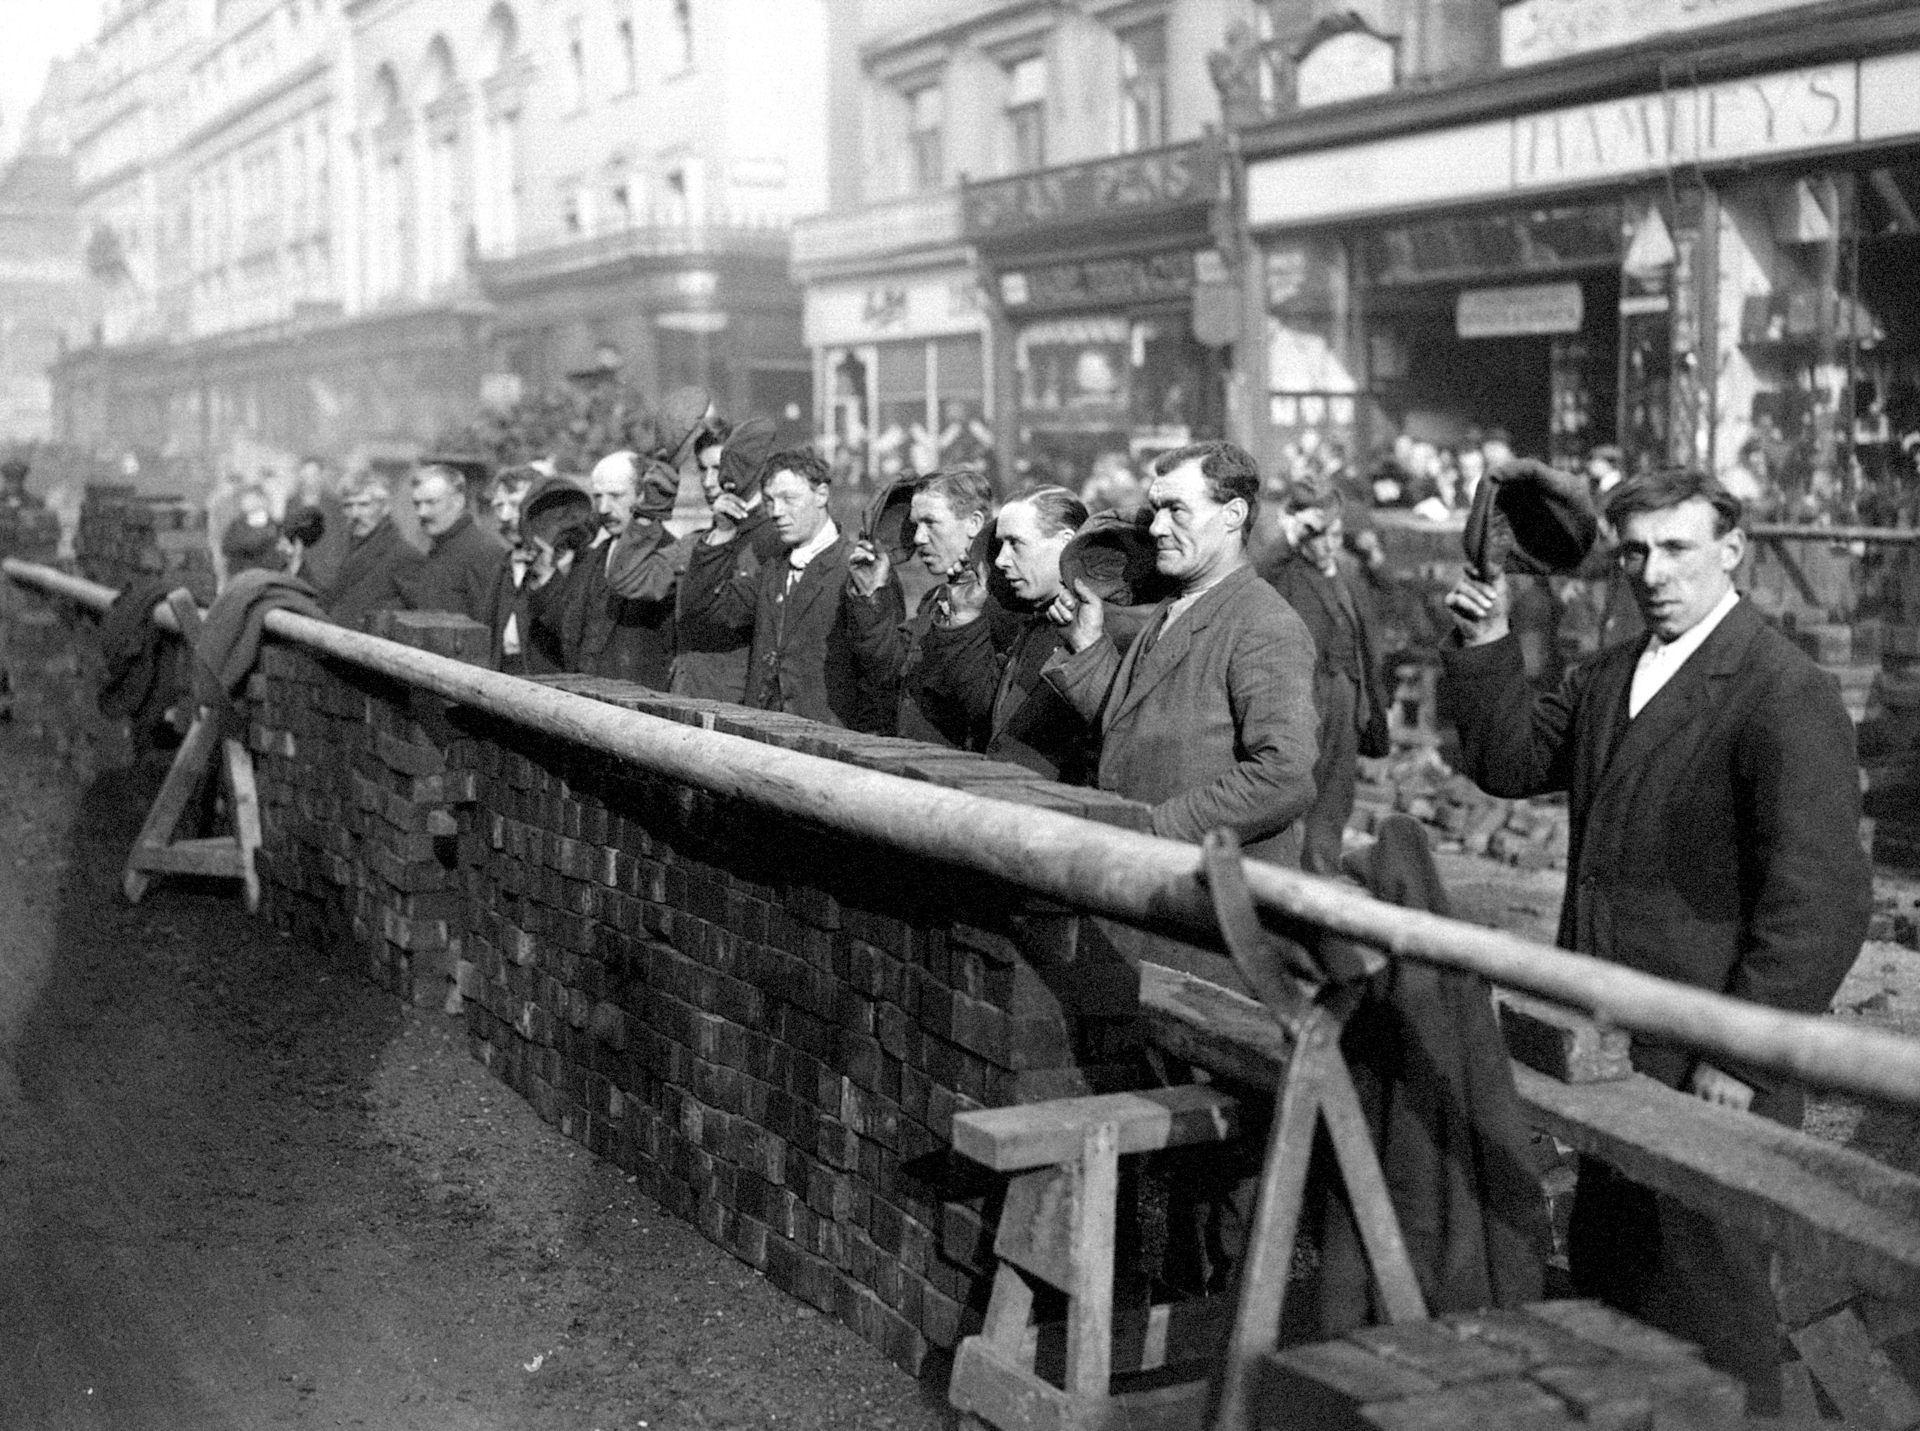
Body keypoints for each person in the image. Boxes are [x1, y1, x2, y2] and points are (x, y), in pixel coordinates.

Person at [1440, 466, 1872, 1410]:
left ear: (1732, 550)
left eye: (1678, 548)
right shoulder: (1613, 674)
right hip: (1610, 1047)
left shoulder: (1779, 690)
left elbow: (1823, 901)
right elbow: (1510, 760)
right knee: (1618, 1284)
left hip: (1707, 1061)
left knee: (1711, 1308)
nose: (1654, 571)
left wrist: (1741, 1054)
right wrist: (1484, 643)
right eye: (1635, 550)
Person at [1042, 440, 1319, 866]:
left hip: (1211, 891)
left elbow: (1284, 776)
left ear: (1234, 515)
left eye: (1177, 510)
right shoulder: (1176, 606)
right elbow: (1133, 726)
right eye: (1155, 512)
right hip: (1155, 878)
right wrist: (1087, 645)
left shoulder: (1264, 624)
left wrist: (1155, 828)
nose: (1155, 528)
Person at [678, 447, 900, 730]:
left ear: (821, 495)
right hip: (765, 738)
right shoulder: (772, 568)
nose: (777, 512)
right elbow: (706, 611)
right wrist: (721, 534)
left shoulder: (860, 569)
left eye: (788, 499)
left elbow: (883, 669)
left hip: (830, 743)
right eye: (770, 501)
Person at [909, 486, 1098, 783]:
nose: (1000, 560)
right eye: (1000, 544)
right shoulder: (1036, 621)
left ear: (1067, 542)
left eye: (1015, 543)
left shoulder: (1106, 630)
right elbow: (993, 721)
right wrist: (965, 616)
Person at [1259, 480, 1391, 875]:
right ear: (1303, 537)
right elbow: (1254, 576)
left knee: (1335, 794)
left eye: (1335, 536)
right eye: (1319, 537)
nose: (1329, 545)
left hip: (1347, 697)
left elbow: (1386, 604)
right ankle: (1278, 877)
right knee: (1293, 787)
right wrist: (1288, 537)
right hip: (1302, 699)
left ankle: (1320, 871)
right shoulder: (1286, 572)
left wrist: (1376, 555)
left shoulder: (1348, 574)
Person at [845, 467, 1012, 745]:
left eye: (930, 523)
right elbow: (892, 673)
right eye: (916, 524)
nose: (919, 538)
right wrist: (872, 594)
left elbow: (987, 712)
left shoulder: (1006, 606)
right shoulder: (935, 599)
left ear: (974, 523)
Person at [672, 417, 782, 701]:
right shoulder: (701, 540)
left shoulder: (772, 539)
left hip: (733, 702)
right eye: (702, 470)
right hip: (688, 693)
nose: (710, 483)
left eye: (719, 469)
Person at [552, 449, 682, 687]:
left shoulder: (668, 553)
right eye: (598, 496)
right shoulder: (593, 556)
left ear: (642, 495)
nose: (603, 508)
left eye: (615, 496)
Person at [402, 463, 511, 626]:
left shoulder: (482, 552)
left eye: (431, 502)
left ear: (458, 501)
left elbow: (489, 627)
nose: (421, 512)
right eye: (417, 504)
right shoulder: (439, 549)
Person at [320, 470, 424, 630]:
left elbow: (420, 618)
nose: (355, 514)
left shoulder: (404, 556)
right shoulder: (343, 548)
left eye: (363, 505)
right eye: (348, 505)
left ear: (385, 508)